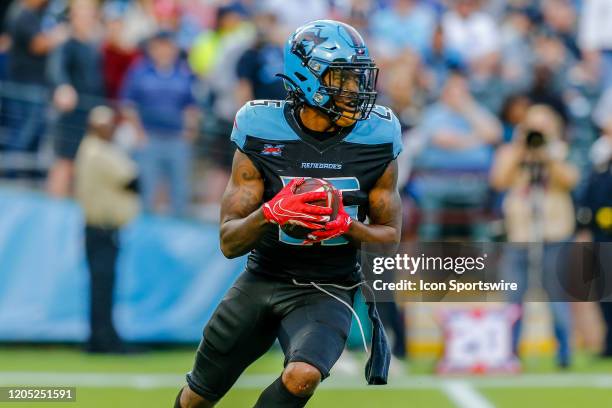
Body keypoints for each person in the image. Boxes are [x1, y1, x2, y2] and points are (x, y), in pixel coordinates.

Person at [175, 20, 402, 408]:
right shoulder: (261, 129)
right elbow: (229, 242)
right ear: (307, 77)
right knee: (199, 395)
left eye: (358, 79)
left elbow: (389, 238)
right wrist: (272, 211)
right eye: (342, 79)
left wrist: (348, 226)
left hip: (329, 285)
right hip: (263, 277)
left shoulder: (377, 137)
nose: (356, 91)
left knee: (302, 376)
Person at [490, 104, 579, 368]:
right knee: (513, 298)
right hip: (519, 234)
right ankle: (510, 353)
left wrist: (548, 156)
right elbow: (498, 180)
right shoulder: (512, 151)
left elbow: (570, 180)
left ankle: (564, 354)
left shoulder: (561, 151)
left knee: (557, 298)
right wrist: (521, 150)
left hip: (555, 235)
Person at [74, 105, 140, 353]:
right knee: (103, 287)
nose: (110, 129)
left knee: (100, 286)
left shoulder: (88, 149)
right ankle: (105, 340)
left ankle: (100, 337)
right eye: (106, 125)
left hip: (96, 229)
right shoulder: (99, 152)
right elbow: (132, 178)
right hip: (103, 229)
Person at [120, 30, 199, 217]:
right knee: (147, 187)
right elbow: (128, 104)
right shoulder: (139, 71)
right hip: (149, 137)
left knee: (180, 189)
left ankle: (176, 230)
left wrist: (189, 131)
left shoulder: (183, 73)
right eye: (159, 46)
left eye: (168, 46)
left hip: (176, 138)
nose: (164, 51)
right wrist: (138, 132)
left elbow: (191, 105)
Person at [47, 0, 105, 197]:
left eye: (89, 13)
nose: (85, 18)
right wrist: (63, 88)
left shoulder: (94, 45)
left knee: (83, 166)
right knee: (64, 162)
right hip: (71, 114)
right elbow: (57, 69)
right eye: (81, 13)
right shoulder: (66, 42)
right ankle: (54, 209)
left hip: (89, 114)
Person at [3, 0, 66, 153]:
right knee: (23, 132)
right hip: (24, 84)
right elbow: (38, 45)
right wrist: (60, 34)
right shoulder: (23, 16)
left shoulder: (40, 15)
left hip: (36, 83)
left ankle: (25, 172)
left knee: (36, 132)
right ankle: (11, 172)